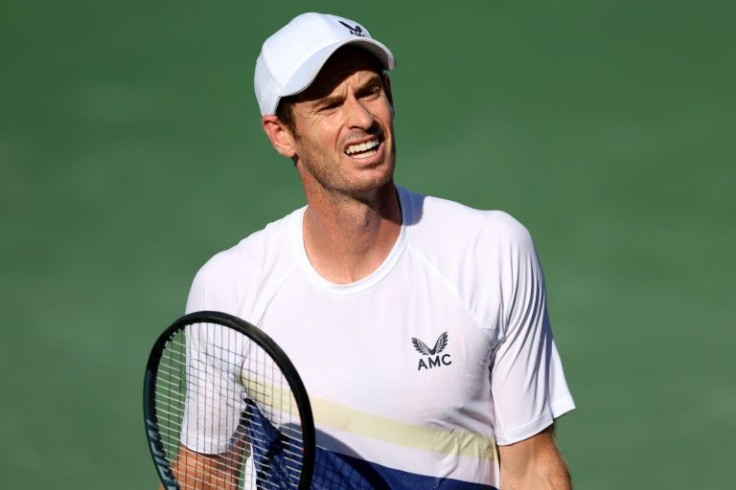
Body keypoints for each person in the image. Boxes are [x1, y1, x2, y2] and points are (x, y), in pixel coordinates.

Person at [178, 12, 575, 489]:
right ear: (282, 135)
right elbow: (204, 478)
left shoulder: (491, 252)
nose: (362, 119)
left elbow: (530, 466)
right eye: (329, 106)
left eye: (369, 91)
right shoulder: (230, 290)